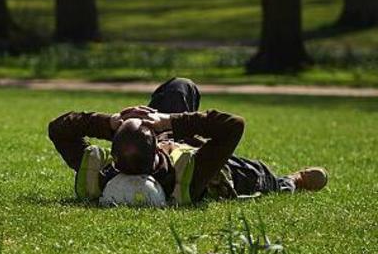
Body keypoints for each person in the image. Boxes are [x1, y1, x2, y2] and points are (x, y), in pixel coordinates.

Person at [48, 77, 329, 206]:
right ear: (156, 145)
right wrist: (169, 122)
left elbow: (59, 129)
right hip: (217, 166)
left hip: (169, 139)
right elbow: (233, 126)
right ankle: (294, 180)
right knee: (262, 176)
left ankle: (166, 125)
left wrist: (111, 122)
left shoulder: (104, 172)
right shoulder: (188, 178)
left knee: (180, 87)